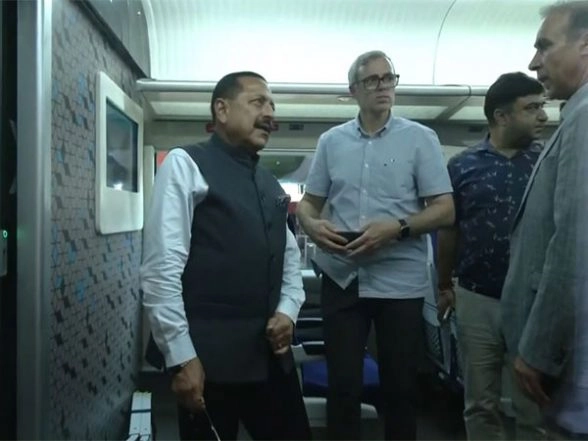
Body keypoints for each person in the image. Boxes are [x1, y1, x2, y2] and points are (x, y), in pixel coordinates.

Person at [140, 71, 311, 441]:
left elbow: (288, 264)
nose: (269, 113)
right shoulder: (186, 164)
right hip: (207, 360)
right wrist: (181, 357)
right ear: (222, 109)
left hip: (269, 358)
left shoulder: (269, 183)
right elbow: (160, 271)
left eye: (272, 105)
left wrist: (287, 311)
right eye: (258, 102)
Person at [296, 50, 455, 440]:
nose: (383, 86)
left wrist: (396, 229)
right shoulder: (332, 142)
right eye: (372, 80)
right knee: (343, 386)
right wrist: (312, 226)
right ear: (354, 90)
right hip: (343, 276)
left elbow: (445, 209)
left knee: (400, 387)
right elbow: (309, 204)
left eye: (389, 78)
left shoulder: (420, 139)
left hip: (400, 282)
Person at [436, 72, 548, 440]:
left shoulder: (548, 163)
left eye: (542, 106)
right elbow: (449, 230)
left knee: (534, 403)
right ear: (501, 116)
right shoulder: (463, 166)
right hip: (477, 297)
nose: (542, 116)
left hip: (533, 300)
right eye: (531, 108)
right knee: (480, 403)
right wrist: (444, 284)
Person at [501, 1, 588, 438]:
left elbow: (574, 244)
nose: (534, 63)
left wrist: (538, 349)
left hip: (569, 358)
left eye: (544, 46)